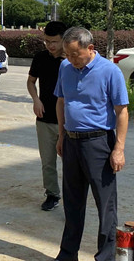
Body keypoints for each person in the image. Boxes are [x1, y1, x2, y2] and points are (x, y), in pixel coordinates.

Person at [54, 27, 128, 261]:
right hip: (72, 142)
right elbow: (61, 101)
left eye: (75, 54)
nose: (70, 59)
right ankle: (67, 254)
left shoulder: (109, 71)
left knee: (105, 205)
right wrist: (61, 135)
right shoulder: (65, 67)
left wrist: (119, 148)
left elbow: (122, 111)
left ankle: (105, 257)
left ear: (90, 48)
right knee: (72, 202)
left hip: (99, 143)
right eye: (67, 54)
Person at [26, 21, 67, 211]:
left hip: (68, 122)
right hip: (45, 118)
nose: (51, 46)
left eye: (55, 42)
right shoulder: (40, 58)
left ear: (64, 40)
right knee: (47, 161)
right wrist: (36, 99)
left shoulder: (71, 61)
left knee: (70, 163)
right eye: (47, 41)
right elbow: (31, 81)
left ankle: (72, 196)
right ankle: (52, 194)